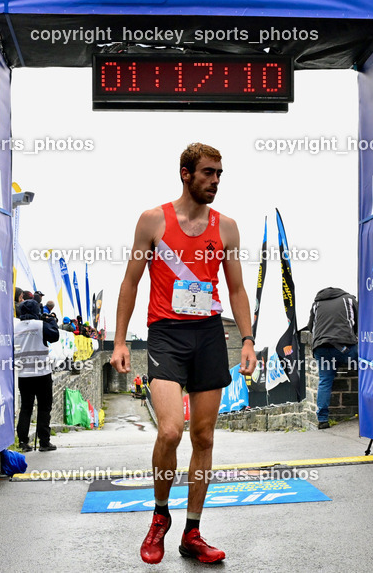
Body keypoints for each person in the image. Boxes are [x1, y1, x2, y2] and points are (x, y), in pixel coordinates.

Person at [110, 143, 257, 565]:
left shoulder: (226, 228)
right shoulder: (153, 220)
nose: (215, 181)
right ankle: (160, 518)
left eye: (220, 174)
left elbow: (236, 289)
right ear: (185, 173)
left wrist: (247, 339)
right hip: (166, 335)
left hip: (209, 334)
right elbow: (130, 283)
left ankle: (193, 531)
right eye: (208, 173)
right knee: (171, 430)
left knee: (204, 436)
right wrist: (120, 342)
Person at [304, 287, 359, 429]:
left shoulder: (317, 303)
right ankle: (368, 411)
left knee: (324, 381)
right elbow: (360, 324)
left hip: (321, 349)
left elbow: (311, 327)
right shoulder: (349, 299)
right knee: (367, 366)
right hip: (345, 348)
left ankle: (322, 420)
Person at [14, 298, 60, 452]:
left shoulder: (14, 327)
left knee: (26, 408)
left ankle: (22, 442)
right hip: (42, 374)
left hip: (23, 374)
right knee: (44, 408)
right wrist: (51, 321)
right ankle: (44, 442)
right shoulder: (41, 325)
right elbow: (54, 336)